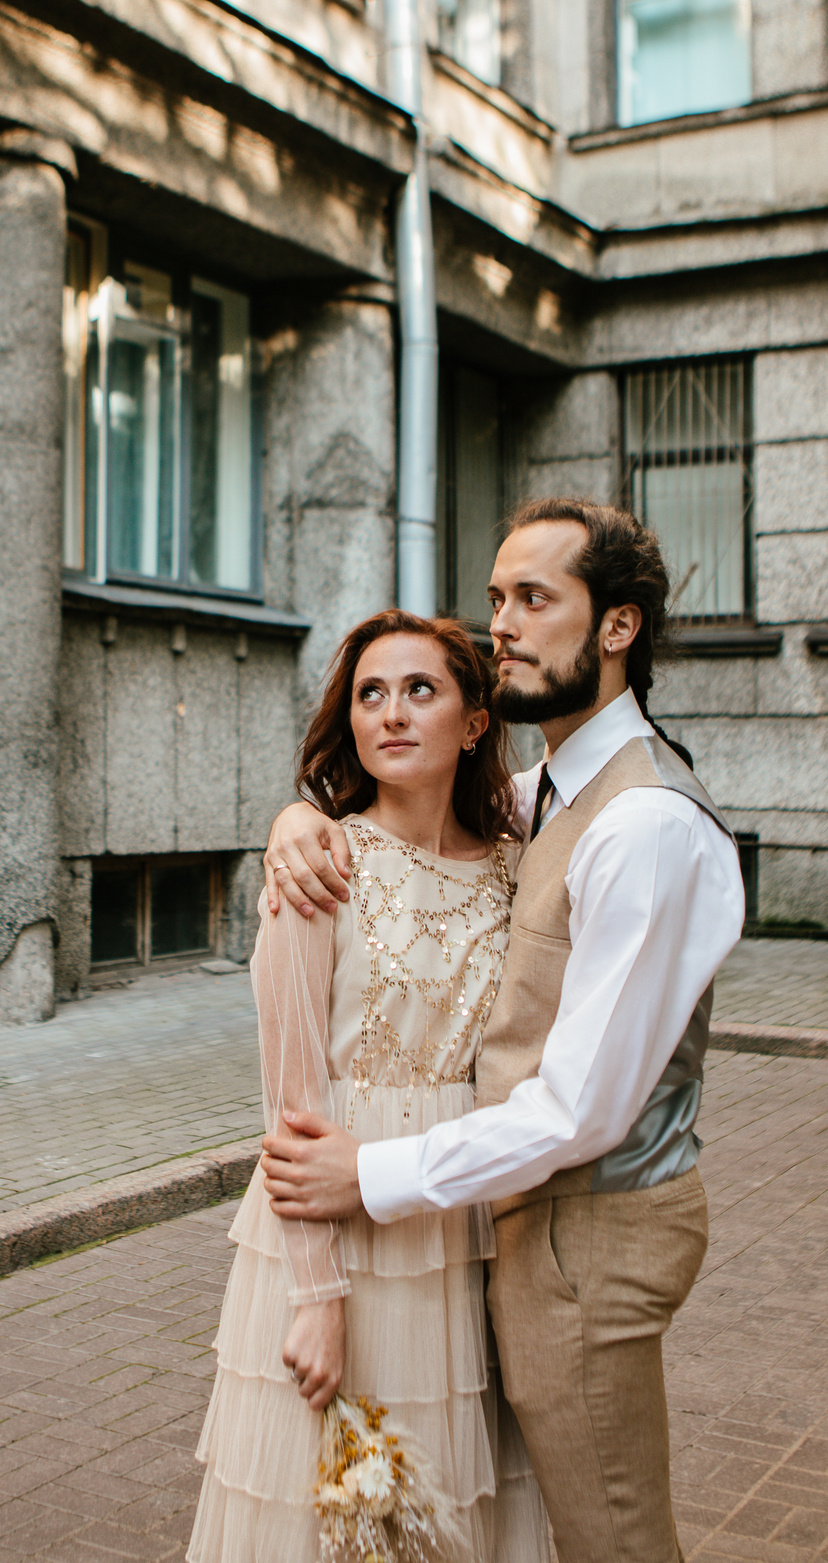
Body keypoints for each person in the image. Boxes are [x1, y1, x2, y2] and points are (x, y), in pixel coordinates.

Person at [259, 499, 745, 1563]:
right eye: (495, 600)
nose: (503, 628)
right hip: (519, 1225)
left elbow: (581, 1110)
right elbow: (422, 804)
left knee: (610, 1539)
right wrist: (299, 821)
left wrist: (370, 1174)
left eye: (535, 599)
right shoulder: (552, 791)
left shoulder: (645, 824)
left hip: (592, 1232)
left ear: (617, 629)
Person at [190, 611, 550, 1563]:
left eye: (420, 689)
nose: (391, 712)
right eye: (369, 694)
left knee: (452, 1495)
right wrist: (316, 1295)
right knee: (341, 1516)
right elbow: (290, 1099)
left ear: (475, 721)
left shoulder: (520, 868)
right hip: (336, 1232)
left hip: (463, 1216)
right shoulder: (320, 863)